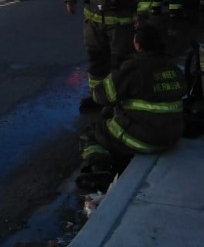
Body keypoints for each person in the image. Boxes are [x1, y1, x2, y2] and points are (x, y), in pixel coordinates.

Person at [75, 24, 186, 192]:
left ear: (138, 45)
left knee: (91, 134)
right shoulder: (173, 68)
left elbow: (101, 96)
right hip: (172, 136)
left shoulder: (135, 68)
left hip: (145, 139)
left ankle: (100, 169)